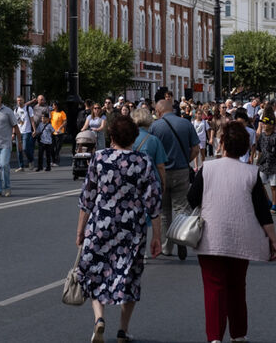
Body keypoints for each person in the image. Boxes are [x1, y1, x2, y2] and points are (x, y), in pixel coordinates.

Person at [187, 122, 276, 343]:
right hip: (242, 237)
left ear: (222, 144)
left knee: (213, 287)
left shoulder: (207, 168)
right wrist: (273, 240)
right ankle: (238, 334)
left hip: (211, 235)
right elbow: (262, 210)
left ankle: (215, 337)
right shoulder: (251, 172)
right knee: (237, 286)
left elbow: (192, 199)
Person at [75, 116, 162, 343]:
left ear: (111, 136)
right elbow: (153, 202)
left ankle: (99, 319)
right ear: (134, 136)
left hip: (101, 225)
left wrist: (80, 230)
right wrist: (157, 237)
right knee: (130, 277)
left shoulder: (99, 158)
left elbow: (87, 198)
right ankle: (123, 330)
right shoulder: (143, 161)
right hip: (131, 228)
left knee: (96, 271)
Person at [149, 98, 200, 260]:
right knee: (181, 207)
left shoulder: (155, 126)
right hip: (182, 170)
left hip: (161, 172)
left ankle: (167, 246)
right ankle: (181, 238)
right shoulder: (186, 123)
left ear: (158, 111)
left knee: (164, 211)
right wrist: (185, 160)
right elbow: (196, 148)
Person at [253, 117, 276, 214]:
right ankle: (268, 201)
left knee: (273, 186)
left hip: (274, 165)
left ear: (272, 125)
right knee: (261, 185)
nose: (264, 125)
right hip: (263, 164)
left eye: (266, 123)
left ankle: (274, 205)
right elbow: (259, 150)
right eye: (263, 123)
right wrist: (258, 162)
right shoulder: (261, 136)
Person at [14, 95, 35, 171]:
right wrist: (13, 133)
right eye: (18, 100)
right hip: (19, 132)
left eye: (20, 100)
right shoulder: (16, 110)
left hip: (27, 131)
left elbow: (32, 120)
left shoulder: (28, 108)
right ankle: (21, 166)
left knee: (25, 148)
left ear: (23, 101)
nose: (19, 102)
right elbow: (15, 123)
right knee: (19, 149)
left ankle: (31, 160)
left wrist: (34, 130)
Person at [50, 101, 67, 166]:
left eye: (53, 105)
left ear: (57, 106)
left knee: (57, 148)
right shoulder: (52, 113)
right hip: (52, 132)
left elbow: (65, 121)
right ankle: (53, 160)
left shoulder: (62, 113)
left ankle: (56, 161)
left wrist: (60, 127)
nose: (52, 106)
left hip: (59, 133)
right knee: (51, 148)